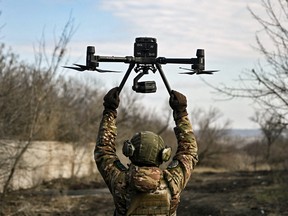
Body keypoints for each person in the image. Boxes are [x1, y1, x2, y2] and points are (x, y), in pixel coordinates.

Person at [94, 87, 198, 216]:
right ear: (163, 155)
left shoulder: (120, 180)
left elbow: (103, 150)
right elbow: (189, 151)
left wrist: (109, 111)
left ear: (129, 151)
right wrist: (181, 112)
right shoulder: (173, 181)